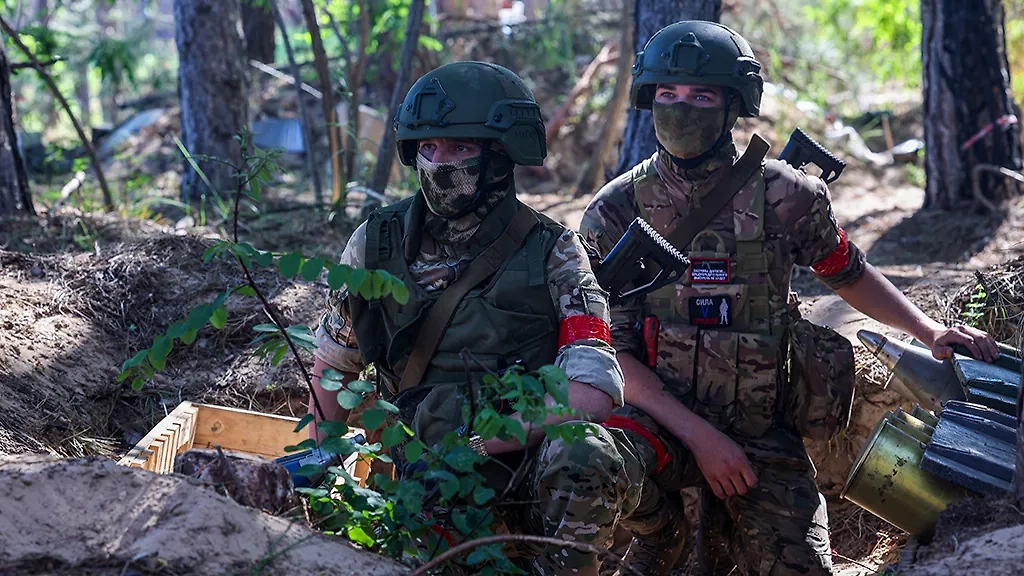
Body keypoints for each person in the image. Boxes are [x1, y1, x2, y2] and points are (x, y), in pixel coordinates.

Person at [579, 20, 1001, 576]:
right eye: (667, 94)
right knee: (598, 470)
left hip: (763, 440)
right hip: (658, 436)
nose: (681, 108)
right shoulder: (614, 211)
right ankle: (661, 533)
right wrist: (702, 439)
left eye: (701, 95)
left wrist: (928, 331)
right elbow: (613, 355)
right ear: (647, 99)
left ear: (735, 103)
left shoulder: (785, 195)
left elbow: (846, 272)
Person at [309, 60, 644, 576]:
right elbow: (333, 367)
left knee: (588, 451)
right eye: (428, 148)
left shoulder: (554, 252)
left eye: (461, 148)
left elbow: (594, 388)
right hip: (416, 472)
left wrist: (472, 444)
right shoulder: (375, 244)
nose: (439, 163)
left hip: (524, 470)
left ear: (501, 154)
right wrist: (321, 472)